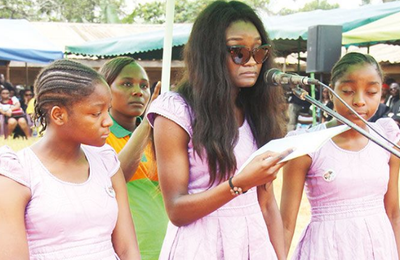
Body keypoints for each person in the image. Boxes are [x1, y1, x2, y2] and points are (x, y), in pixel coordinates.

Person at [147, 1, 292, 259]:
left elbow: (268, 204)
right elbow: (176, 210)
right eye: (238, 52)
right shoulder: (176, 110)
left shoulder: (258, 111)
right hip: (200, 244)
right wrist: (238, 183)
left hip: (252, 242)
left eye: (259, 51)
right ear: (210, 54)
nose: (252, 62)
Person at [0, 59, 140, 259]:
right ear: (58, 115)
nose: (108, 121)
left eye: (108, 110)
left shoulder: (107, 162)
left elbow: (128, 250)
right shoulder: (18, 174)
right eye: (96, 113)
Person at [280, 52, 400, 259]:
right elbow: (286, 224)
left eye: (371, 92)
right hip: (327, 249)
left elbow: (394, 213)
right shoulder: (308, 145)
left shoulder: (387, 139)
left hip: (379, 248)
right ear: (330, 90)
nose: (359, 101)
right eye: (347, 91)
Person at [99, 57, 168, 260]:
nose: (139, 91)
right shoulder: (99, 135)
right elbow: (117, 177)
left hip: (166, 248)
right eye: (127, 84)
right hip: (125, 252)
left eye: (144, 86)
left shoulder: (161, 135)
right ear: (104, 90)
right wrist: (148, 122)